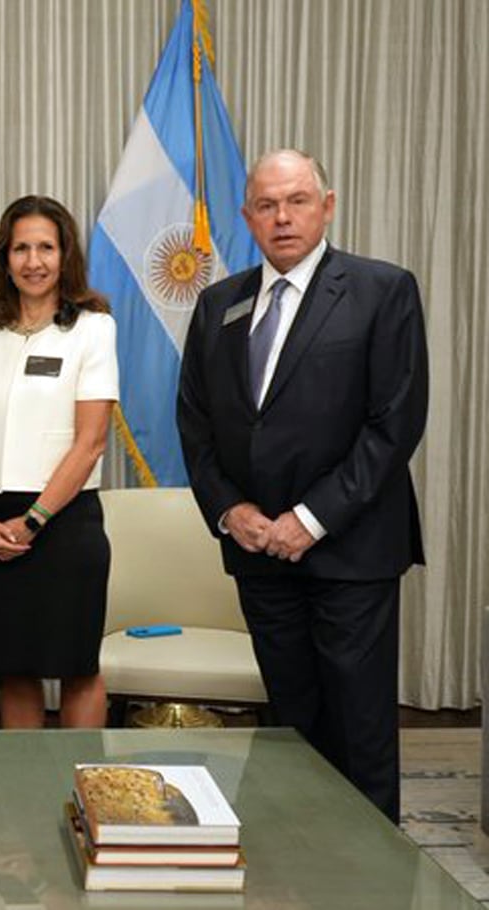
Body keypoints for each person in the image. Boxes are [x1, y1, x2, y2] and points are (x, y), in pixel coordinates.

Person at [177, 149, 428, 822]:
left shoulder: (383, 290)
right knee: (292, 729)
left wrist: (309, 519)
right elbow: (195, 427)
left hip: (350, 552)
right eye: (266, 204)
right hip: (260, 555)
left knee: (359, 730)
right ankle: (303, 870)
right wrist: (232, 511)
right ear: (246, 216)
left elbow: (393, 425)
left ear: (327, 205)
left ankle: (372, 879)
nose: (282, 217)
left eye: (296, 201)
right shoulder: (217, 305)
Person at [0, 195, 119, 729]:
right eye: (21, 247)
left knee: (77, 668)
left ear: (64, 254)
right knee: (14, 669)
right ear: (4, 257)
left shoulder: (93, 328)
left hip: (62, 522)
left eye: (46, 246)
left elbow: (91, 442)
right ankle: (19, 798)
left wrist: (34, 522)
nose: (33, 260)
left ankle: (80, 799)